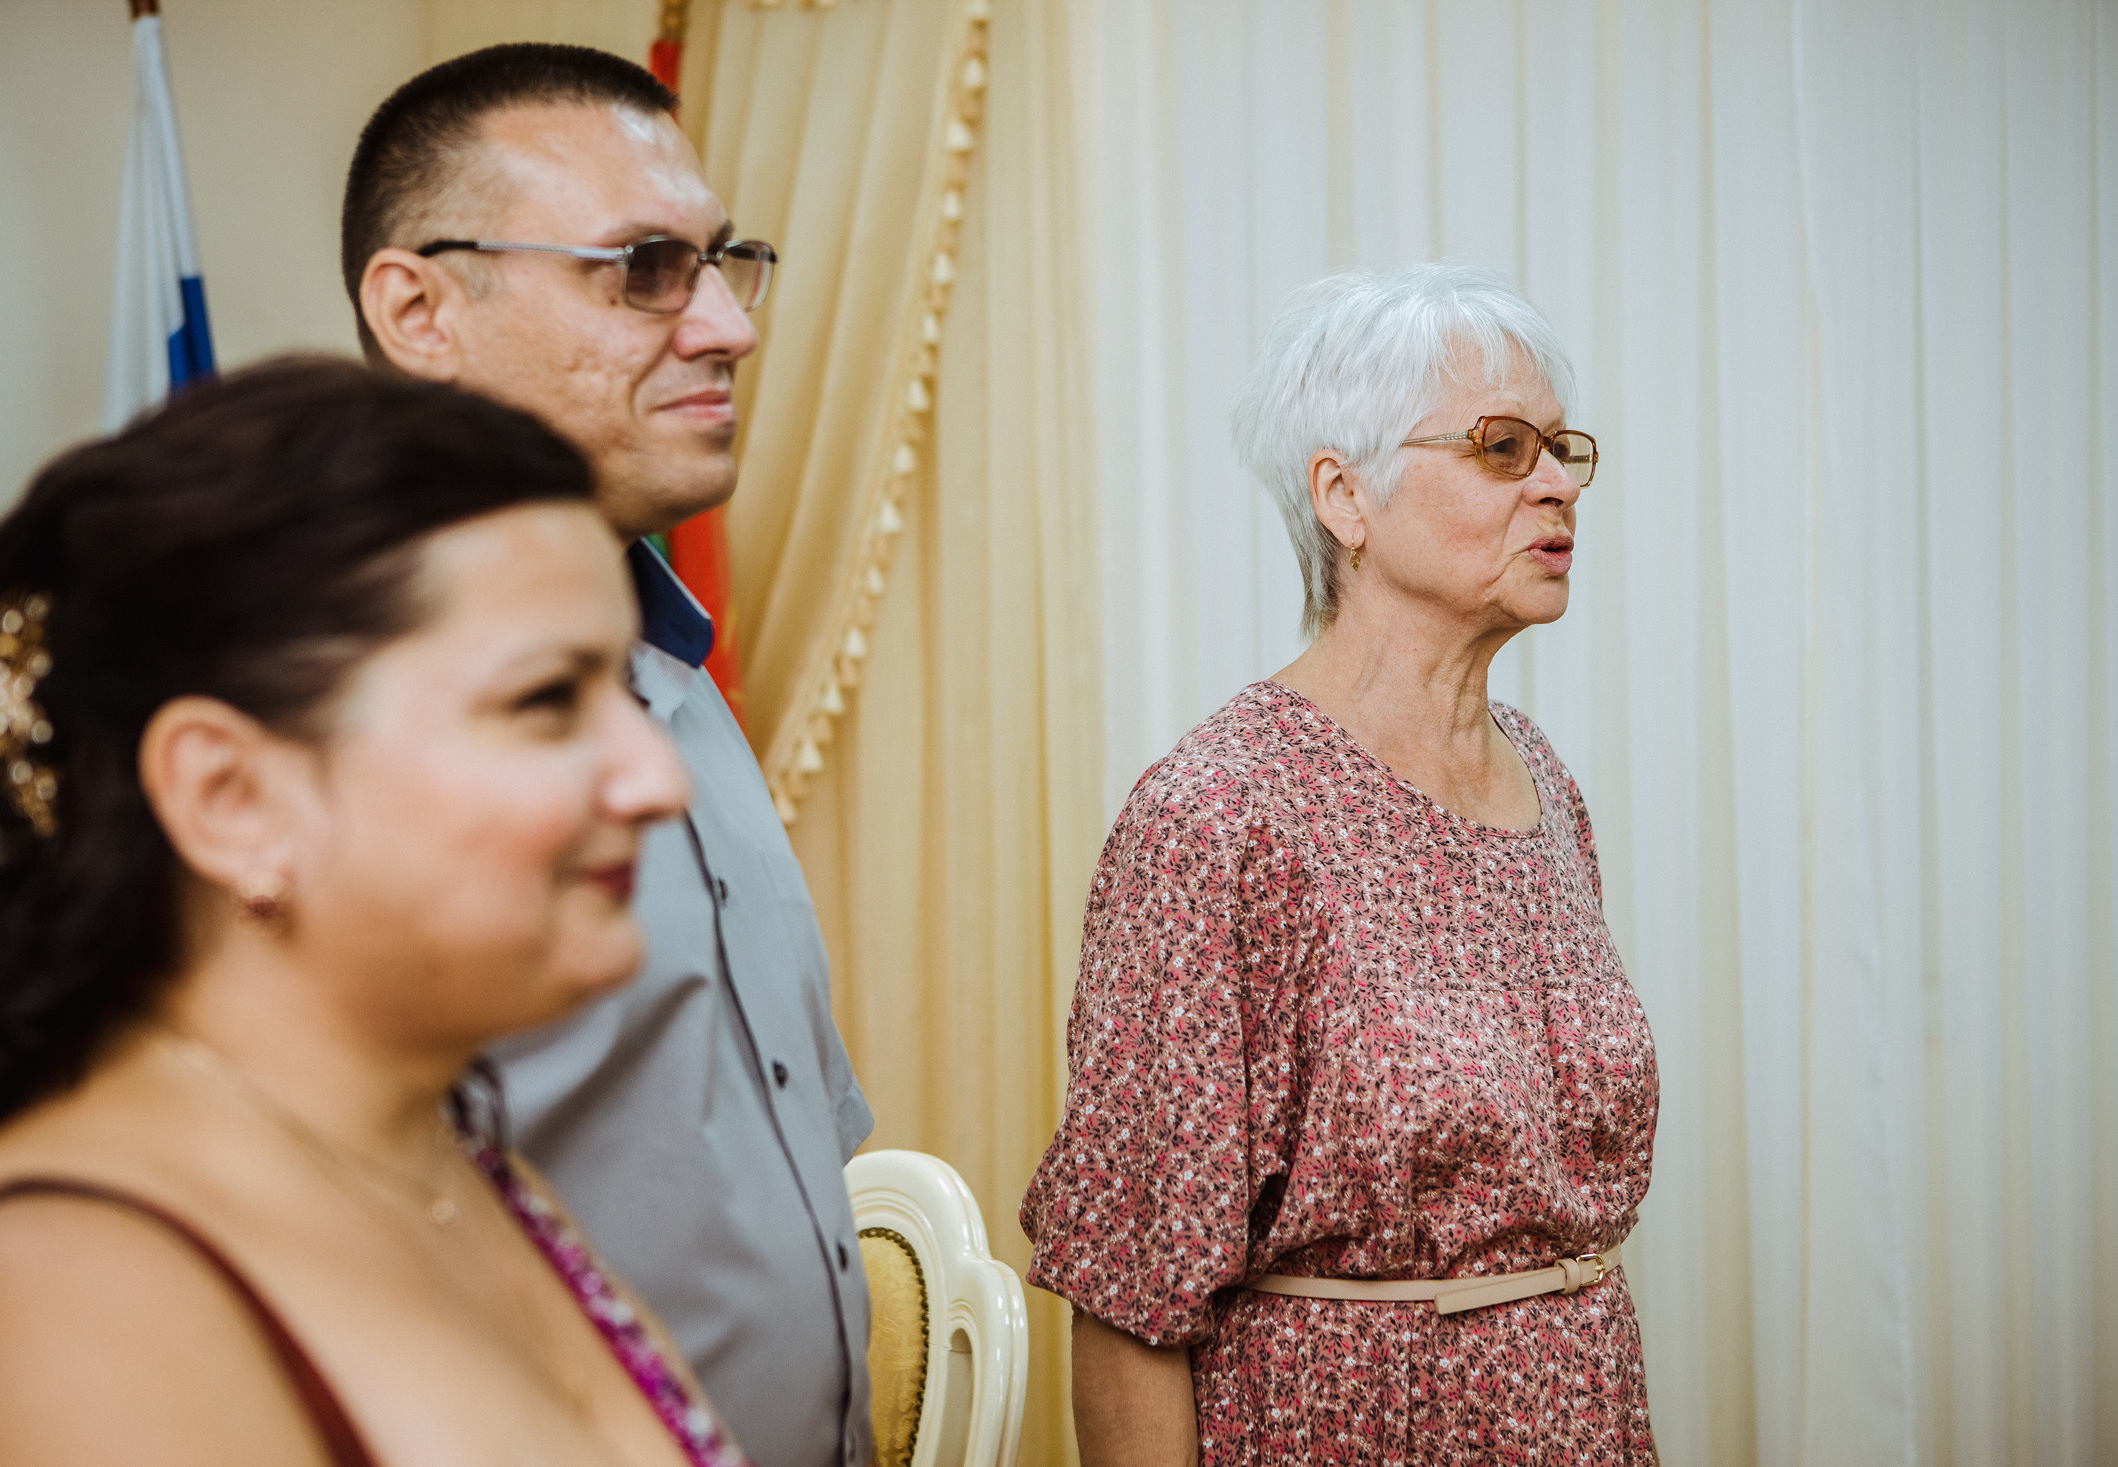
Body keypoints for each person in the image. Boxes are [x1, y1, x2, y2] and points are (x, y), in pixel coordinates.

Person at [0, 359, 745, 1467]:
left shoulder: (454, 1160)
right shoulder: (58, 1291)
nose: (657, 780)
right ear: (233, 798)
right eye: (547, 699)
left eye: (623, 695)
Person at [1021, 264, 1659, 1465]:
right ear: (1344, 497)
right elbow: (1128, 1298)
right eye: (1501, 447)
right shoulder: (1218, 816)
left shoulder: (1540, 776)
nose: (1560, 483)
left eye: (1563, 448)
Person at [343, 44, 872, 1467]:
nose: (727, 328)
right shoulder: (336, 720)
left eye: (723, 261)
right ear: (421, 307)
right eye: (641, 266)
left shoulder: (685, 684)